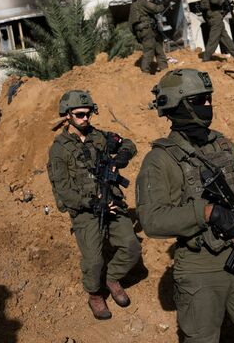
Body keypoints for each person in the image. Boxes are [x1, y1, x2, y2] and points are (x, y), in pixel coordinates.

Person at [136, 69, 234, 342]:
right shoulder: (160, 160)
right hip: (201, 269)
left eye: (209, 98)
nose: (209, 105)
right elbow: (151, 220)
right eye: (200, 100)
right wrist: (207, 213)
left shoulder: (223, 145)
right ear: (179, 105)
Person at [47, 90, 141, 320]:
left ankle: (112, 278)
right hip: (86, 210)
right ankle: (94, 294)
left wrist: (121, 156)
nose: (86, 118)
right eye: (80, 114)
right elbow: (63, 190)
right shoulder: (59, 149)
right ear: (67, 115)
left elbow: (128, 143)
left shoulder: (99, 137)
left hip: (111, 200)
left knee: (131, 247)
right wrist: (93, 203)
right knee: (94, 260)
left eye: (89, 114)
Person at [128, 0, 169, 74]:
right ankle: (145, 72)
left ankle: (164, 69)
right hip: (148, 31)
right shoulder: (143, 2)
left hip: (145, 32)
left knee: (158, 49)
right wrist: (163, 4)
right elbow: (156, 9)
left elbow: (131, 24)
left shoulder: (134, 5)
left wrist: (137, 34)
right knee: (149, 51)